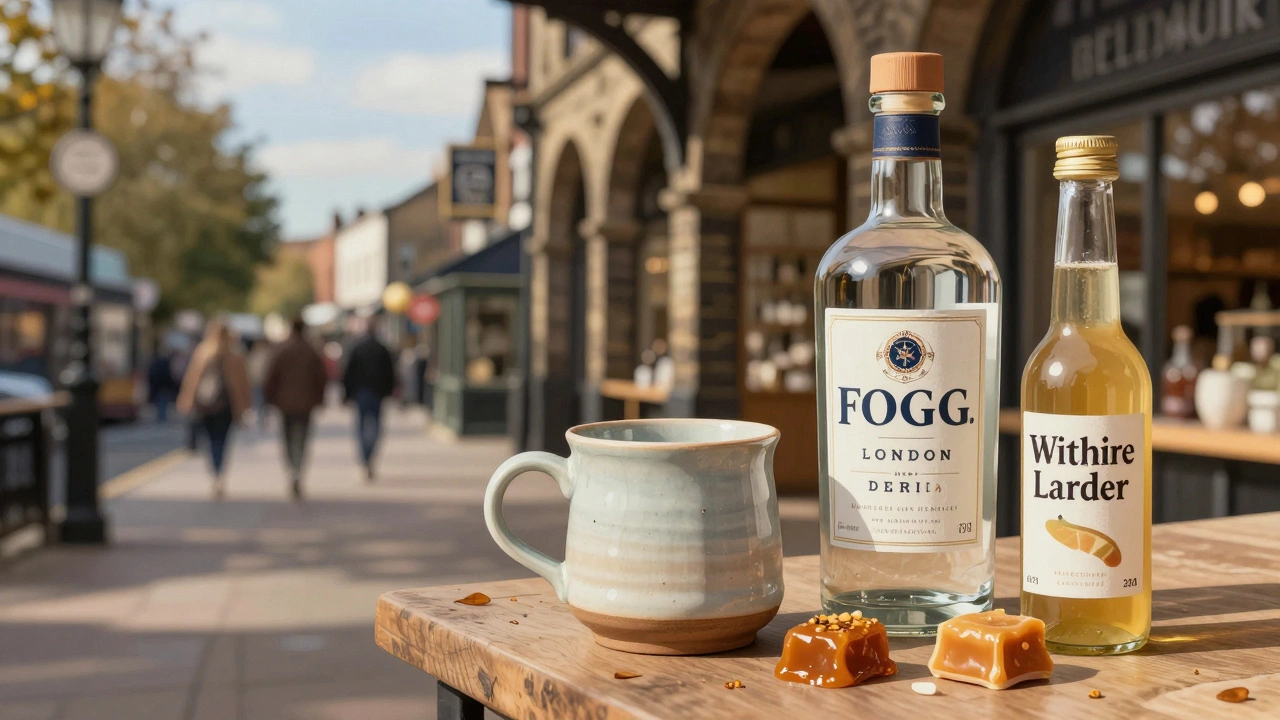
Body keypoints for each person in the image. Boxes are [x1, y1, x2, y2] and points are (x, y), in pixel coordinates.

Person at [177, 319, 251, 499]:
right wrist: (245, 407)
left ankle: (215, 471)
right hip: (227, 406)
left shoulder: (203, 352)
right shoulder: (234, 354)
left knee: (210, 441)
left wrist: (187, 400)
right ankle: (219, 472)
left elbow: (192, 379)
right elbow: (243, 383)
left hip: (206, 405)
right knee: (221, 441)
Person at [263, 317, 328, 500]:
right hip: (306, 403)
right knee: (302, 438)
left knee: (288, 438)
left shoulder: (282, 349)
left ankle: (293, 469)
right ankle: (297, 470)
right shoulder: (311, 350)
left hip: (285, 404)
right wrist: (320, 399)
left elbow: (270, 376)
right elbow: (321, 377)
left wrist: (269, 400)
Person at [342, 319, 395, 481]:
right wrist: (388, 391)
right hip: (377, 393)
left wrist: (347, 394)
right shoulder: (382, 349)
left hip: (361, 393)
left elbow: (348, 372)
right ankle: (369, 457)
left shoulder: (358, 348)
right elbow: (390, 373)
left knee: (361, 427)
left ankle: (365, 458)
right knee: (376, 427)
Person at [146, 346, 178, 423]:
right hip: (163, 387)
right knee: (163, 403)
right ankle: (162, 418)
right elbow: (168, 375)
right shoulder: (165, 363)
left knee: (161, 403)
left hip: (158, 387)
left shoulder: (155, 363)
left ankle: (161, 418)